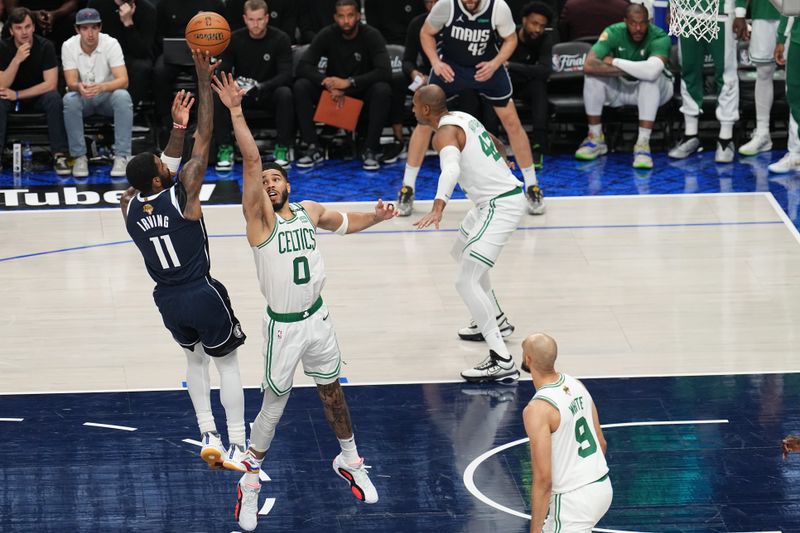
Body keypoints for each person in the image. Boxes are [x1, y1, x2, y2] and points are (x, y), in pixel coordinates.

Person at [210, 71, 394, 531]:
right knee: (275, 405)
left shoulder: (309, 212)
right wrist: (235, 109)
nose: (268, 183)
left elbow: (346, 223)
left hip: (319, 319)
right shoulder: (258, 221)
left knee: (332, 391)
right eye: (264, 181)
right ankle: (250, 478)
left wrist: (378, 215)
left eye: (276, 179)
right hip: (284, 326)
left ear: (288, 186)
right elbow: (251, 161)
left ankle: (349, 460)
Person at [120, 50, 248, 470]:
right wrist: (201, 79)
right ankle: (238, 442)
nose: (165, 159)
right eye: (160, 162)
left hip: (167, 300)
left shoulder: (129, 207)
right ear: (160, 179)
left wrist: (177, 127)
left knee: (194, 360)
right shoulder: (183, 195)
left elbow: (166, 166)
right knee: (227, 363)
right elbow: (205, 138)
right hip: (200, 291)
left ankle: (207, 431)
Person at [413, 85, 524, 383]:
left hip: (500, 206)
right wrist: (504, 161)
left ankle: (501, 359)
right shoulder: (462, 117)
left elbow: (449, 170)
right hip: (493, 200)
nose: (412, 110)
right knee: (461, 250)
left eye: (414, 106)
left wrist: (438, 207)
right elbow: (494, 140)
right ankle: (496, 318)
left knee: (465, 280)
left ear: (425, 110)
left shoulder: (443, 134)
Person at [396, 0, 545, 218]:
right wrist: (435, 63)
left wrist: (496, 63)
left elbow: (510, 39)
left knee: (512, 123)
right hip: (451, 68)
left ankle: (532, 186)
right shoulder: (446, 6)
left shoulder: (498, 7)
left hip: (486, 68)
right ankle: (407, 188)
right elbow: (426, 33)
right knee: (425, 123)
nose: (469, 2)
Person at [520, 332, 612, 533]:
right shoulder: (575, 384)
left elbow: (543, 479)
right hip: (602, 485)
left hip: (573, 501)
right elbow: (601, 443)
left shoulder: (537, 409)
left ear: (528, 359)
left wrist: (534, 531)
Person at [293, 0, 392, 171]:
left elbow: (384, 71)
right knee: (301, 86)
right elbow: (303, 66)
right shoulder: (327, 34)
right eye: (341, 16)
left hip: (360, 90)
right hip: (332, 91)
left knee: (382, 89)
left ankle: (370, 149)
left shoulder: (371, 35)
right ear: (335, 17)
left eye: (350, 15)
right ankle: (312, 146)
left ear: (358, 16)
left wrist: (349, 82)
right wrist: (327, 82)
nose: (346, 21)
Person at [575, 3, 672, 170]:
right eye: (633, 23)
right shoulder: (613, 31)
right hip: (623, 87)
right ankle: (595, 138)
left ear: (649, 22)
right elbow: (589, 65)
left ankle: (643, 144)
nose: (638, 28)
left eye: (642, 23)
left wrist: (614, 61)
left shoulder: (659, 35)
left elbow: (651, 72)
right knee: (592, 77)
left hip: (658, 91)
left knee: (650, 80)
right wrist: (634, 69)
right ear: (625, 21)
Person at [214, 0, 293, 171]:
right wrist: (233, 85)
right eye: (251, 19)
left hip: (268, 92)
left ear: (266, 18)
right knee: (220, 94)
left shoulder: (281, 39)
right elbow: (223, 70)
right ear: (244, 19)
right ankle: (225, 148)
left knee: (285, 93)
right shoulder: (234, 39)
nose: (255, 24)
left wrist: (262, 86)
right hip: (242, 94)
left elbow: (286, 75)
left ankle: (282, 148)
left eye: (259, 19)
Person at [668, 0, 746, 163]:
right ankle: (691, 135)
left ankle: (726, 139)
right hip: (688, 13)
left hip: (722, 14)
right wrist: (673, 6)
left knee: (726, 74)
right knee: (688, 72)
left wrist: (740, 13)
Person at [61, 7, 133, 177]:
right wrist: (79, 87)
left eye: (94, 27)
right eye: (85, 28)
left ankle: (122, 155)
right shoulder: (68, 46)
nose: (90, 33)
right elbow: (70, 81)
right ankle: (79, 157)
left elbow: (124, 80)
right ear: (77, 30)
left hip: (106, 96)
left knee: (123, 96)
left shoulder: (111, 43)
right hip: (83, 96)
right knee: (69, 99)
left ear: (100, 28)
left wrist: (102, 87)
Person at [0, 6, 69, 174]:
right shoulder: (2, 47)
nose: (24, 32)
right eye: (18, 28)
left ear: (33, 27)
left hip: (36, 97)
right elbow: (2, 85)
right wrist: (16, 60)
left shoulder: (46, 46)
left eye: (27, 26)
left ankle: (59, 155)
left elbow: (50, 84)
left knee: (53, 98)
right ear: (11, 31)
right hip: (9, 97)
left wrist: (17, 95)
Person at [507, 1, 558, 169]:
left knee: (539, 86)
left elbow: (544, 71)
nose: (538, 30)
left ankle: (538, 145)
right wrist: (528, 70)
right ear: (524, 20)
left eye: (542, 26)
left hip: (527, 85)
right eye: (534, 24)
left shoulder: (545, 39)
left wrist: (511, 66)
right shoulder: (509, 36)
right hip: (507, 85)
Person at [86, 0, 157, 107]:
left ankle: (126, 109)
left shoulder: (147, 10)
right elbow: (87, 36)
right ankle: (95, 109)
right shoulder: (96, 4)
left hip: (131, 57)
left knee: (142, 67)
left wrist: (128, 22)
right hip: (103, 54)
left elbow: (142, 52)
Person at [737, 0, 781, 156]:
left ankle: (797, 138)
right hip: (764, 11)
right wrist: (740, 12)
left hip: (795, 14)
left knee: (795, 74)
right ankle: (763, 133)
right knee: (763, 72)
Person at [769, 15, 800, 173]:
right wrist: (781, 38)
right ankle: (796, 155)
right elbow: (791, 7)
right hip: (797, 37)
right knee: (795, 95)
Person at [557, 0, 629, 42]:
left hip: (577, 59)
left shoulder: (571, 6)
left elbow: (562, 35)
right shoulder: (623, 7)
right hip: (613, 60)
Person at [225, 0, 297, 42]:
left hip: (276, 48)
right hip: (241, 47)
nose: (256, 24)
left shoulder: (286, 2)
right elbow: (231, 29)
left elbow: (288, 33)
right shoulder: (234, 2)